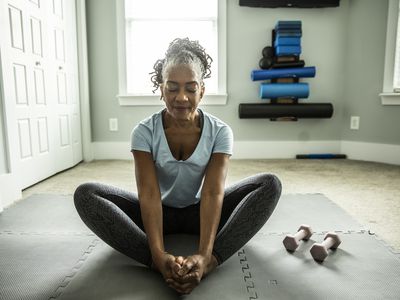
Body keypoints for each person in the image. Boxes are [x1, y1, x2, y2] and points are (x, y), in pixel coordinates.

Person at [74, 37, 282, 295]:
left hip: (201, 211)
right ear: (161, 89)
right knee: (86, 195)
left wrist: (205, 255)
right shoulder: (144, 132)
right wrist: (159, 254)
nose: (181, 97)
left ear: (202, 91)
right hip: (158, 211)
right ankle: (156, 263)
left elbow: (213, 192)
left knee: (269, 184)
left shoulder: (220, 132)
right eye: (172, 88)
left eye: (190, 88)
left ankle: (212, 262)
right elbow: (149, 194)